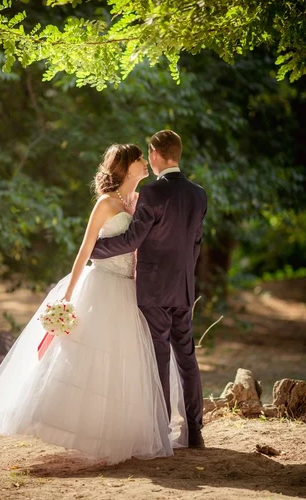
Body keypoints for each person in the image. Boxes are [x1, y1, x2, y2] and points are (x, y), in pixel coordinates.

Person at [0, 143, 188, 465]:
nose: (146, 161)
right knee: (83, 361)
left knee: (126, 366)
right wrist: (67, 296)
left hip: (130, 291)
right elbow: (86, 249)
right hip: (100, 286)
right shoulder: (105, 203)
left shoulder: (139, 202)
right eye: (140, 158)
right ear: (127, 166)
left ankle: (121, 434)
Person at [91, 131, 207, 448]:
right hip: (183, 286)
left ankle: (161, 430)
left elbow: (131, 241)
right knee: (187, 357)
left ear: (155, 154)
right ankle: (195, 431)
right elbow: (195, 245)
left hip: (154, 288)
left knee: (158, 356)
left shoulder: (153, 193)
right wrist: (184, 276)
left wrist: (92, 250)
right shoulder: (199, 195)